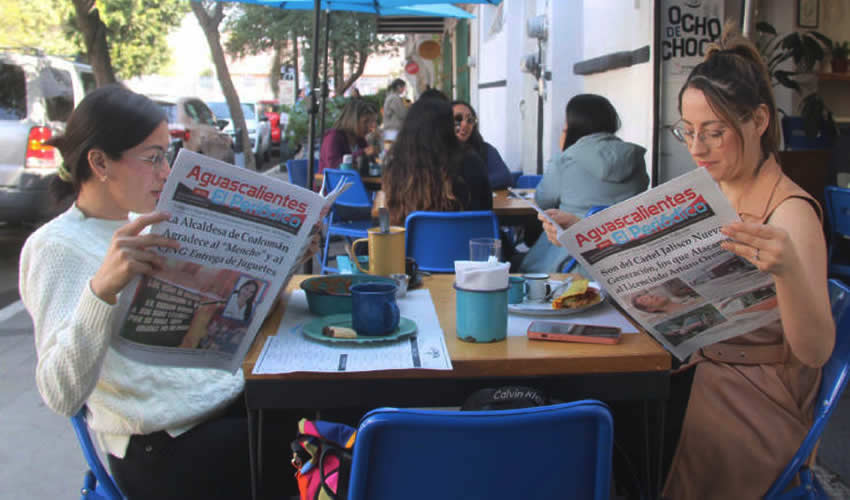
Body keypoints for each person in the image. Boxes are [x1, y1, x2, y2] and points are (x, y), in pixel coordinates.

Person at [18, 84, 318, 499]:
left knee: (342, 411)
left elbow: (231, 320)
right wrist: (101, 291)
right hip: (163, 446)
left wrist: (283, 259)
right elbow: (60, 394)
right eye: (153, 157)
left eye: (168, 155)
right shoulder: (57, 247)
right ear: (100, 162)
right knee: (329, 450)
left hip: (222, 405)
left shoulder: (154, 222)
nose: (165, 171)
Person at [520, 94, 649, 273]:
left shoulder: (565, 160)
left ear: (573, 126)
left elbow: (542, 202)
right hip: (626, 257)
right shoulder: (634, 158)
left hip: (569, 259)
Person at [381, 96, 492, 226]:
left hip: (411, 245)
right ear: (447, 129)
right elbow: (486, 211)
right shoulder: (471, 162)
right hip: (466, 244)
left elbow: (391, 221)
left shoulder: (396, 168)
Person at [451, 100, 512, 189]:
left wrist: (466, 186)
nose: (465, 124)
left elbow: (504, 177)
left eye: (469, 120)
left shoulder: (485, 149)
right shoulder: (437, 151)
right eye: (458, 119)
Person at [318, 98, 377, 180]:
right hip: (332, 189)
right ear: (352, 120)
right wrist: (362, 153)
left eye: (373, 122)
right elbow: (334, 167)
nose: (371, 126)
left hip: (354, 186)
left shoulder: (360, 140)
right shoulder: (333, 137)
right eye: (366, 121)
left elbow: (371, 165)